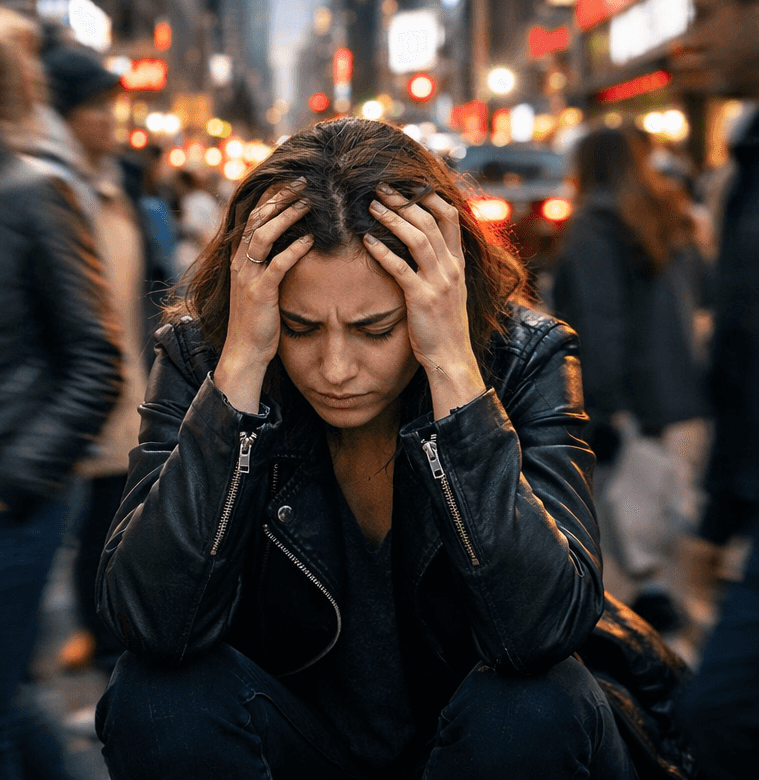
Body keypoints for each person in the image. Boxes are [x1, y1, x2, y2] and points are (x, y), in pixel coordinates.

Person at [95, 117, 633, 779]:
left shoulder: (524, 358)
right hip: (297, 740)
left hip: (472, 748)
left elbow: (541, 631)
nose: (336, 368)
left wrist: (454, 375)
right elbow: (152, 623)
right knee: (155, 696)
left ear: (438, 300)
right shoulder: (208, 359)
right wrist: (238, 376)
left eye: (376, 329)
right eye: (299, 328)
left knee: (536, 701)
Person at [0, 5, 124, 780]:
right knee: (4, 701)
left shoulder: (34, 193)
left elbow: (99, 360)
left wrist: (6, 483)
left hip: (13, 504)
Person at [39, 45, 173, 675]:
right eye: (96, 106)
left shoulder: (119, 184)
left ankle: (107, 636)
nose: (110, 118)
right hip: (70, 393)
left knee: (114, 518)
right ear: (66, 116)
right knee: (69, 521)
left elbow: (149, 279)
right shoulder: (51, 192)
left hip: (130, 383)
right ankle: (85, 636)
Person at [549, 125, 710, 633]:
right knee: (649, 487)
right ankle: (656, 588)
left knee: (616, 493)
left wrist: (604, 402)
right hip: (670, 385)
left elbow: (600, 321)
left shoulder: (594, 226)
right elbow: (698, 293)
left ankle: (642, 600)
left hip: (622, 390)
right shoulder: (665, 213)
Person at [670, 0, 759, 779]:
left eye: (708, 11)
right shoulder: (746, 160)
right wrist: (719, 516)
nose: (694, 38)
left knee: (721, 714)